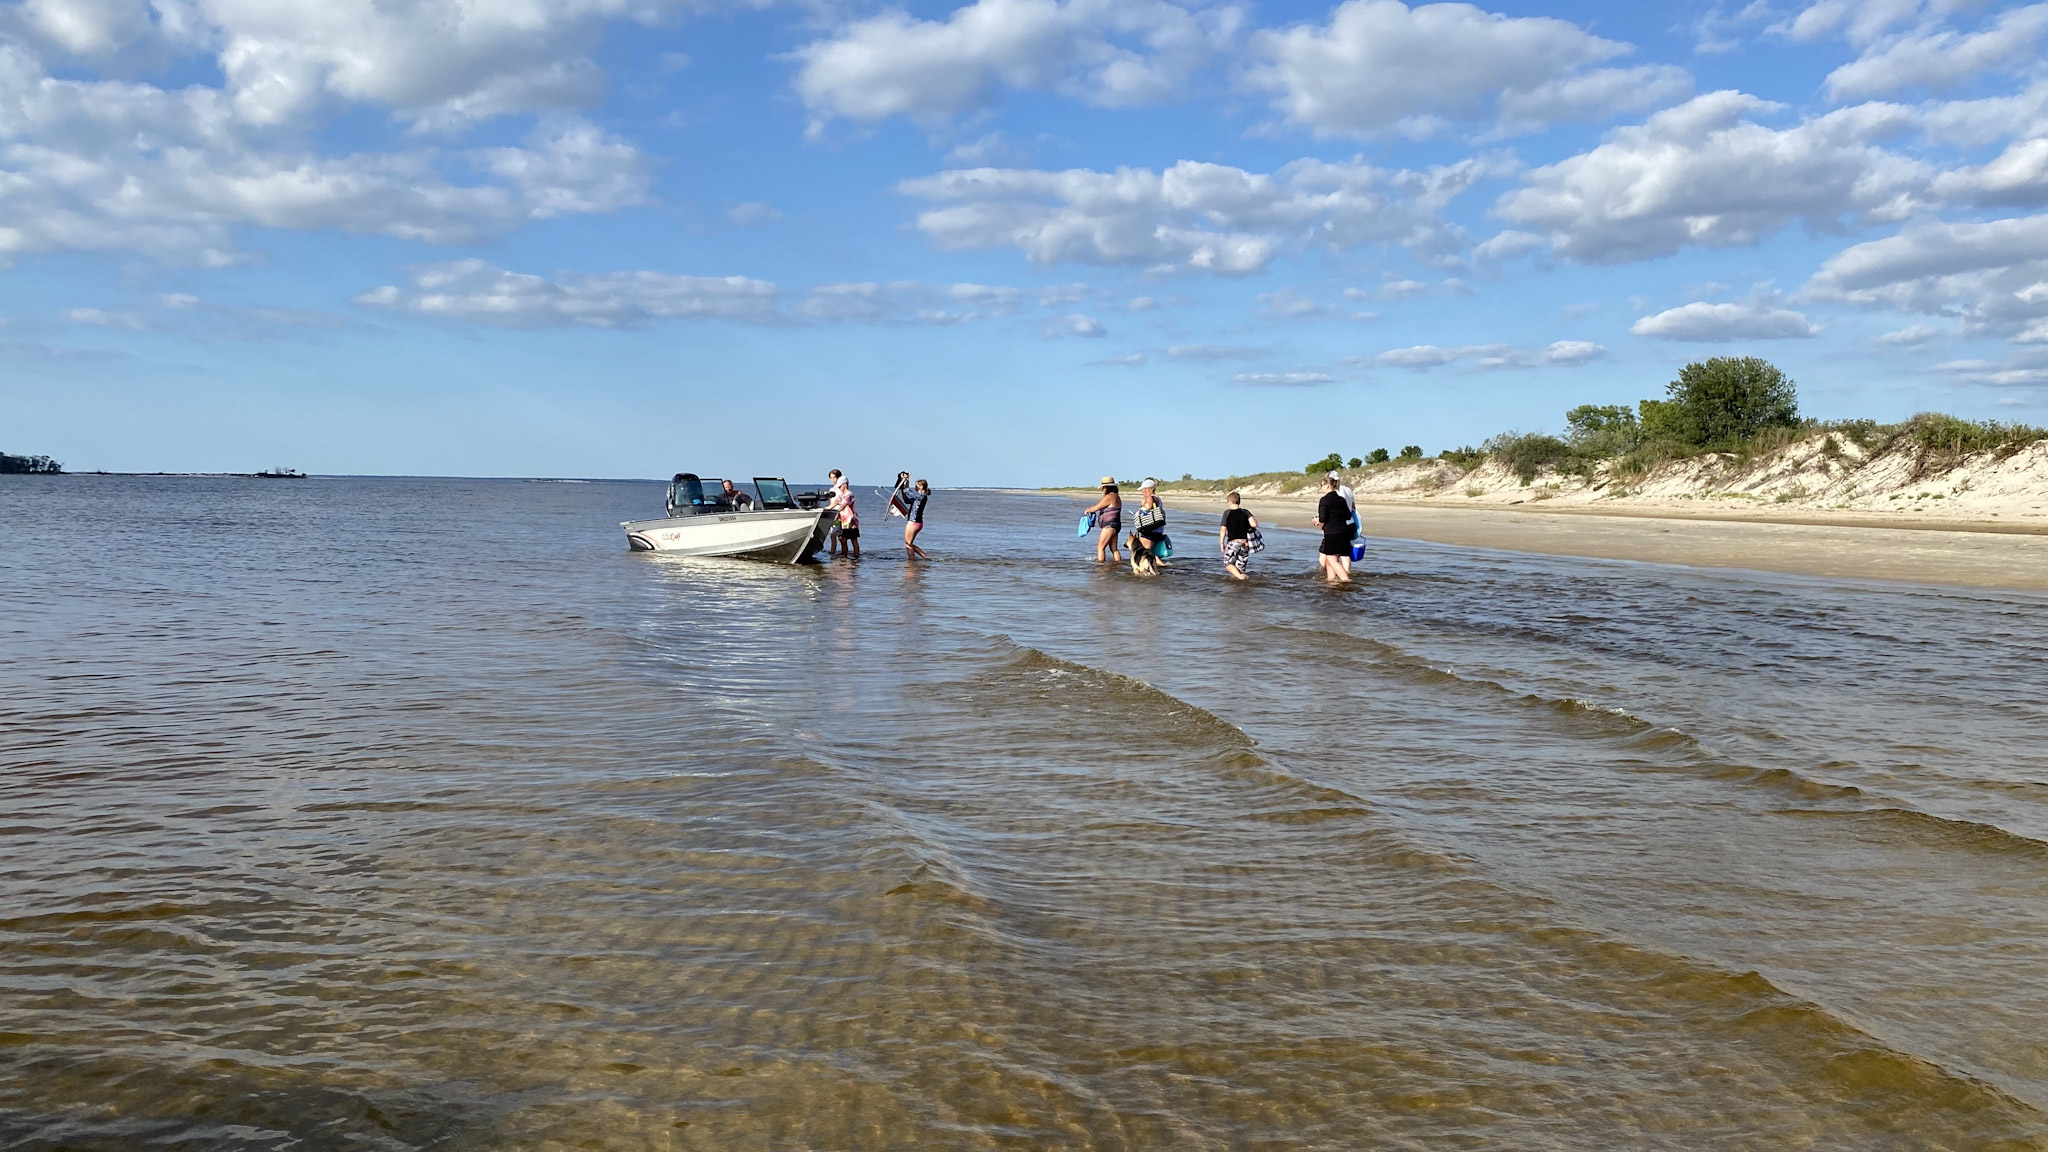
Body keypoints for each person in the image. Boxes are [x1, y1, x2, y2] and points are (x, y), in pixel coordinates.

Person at [1313, 475, 1353, 584]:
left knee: (1331, 560)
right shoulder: (1341, 499)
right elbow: (1348, 516)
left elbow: (1323, 518)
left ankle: (1346, 580)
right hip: (1344, 532)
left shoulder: (1324, 500)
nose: (1320, 487)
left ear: (1327, 485)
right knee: (1334, 560)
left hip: (1332, 533)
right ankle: (1331, 582)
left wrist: (1318, 520)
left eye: (1321, 485)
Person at [1129, 478, 1168, 574]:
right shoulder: (1157, 498)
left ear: (1149, 489)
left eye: (1144, 490)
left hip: (1150, 528)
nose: (1142, 492)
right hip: (1157, 528)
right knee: (1150, 552)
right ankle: (1161, 566)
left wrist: (1142, 506)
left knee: (1144, 552)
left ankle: (1148, 571)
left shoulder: (1150, 498)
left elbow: (1147, 508)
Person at [1082, 476, 1123, 563]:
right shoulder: (1117, 496)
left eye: (1103, 488)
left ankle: (1100, 567)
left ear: (1106, 488)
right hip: (1116, 525)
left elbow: (1096, 507)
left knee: (1100, 547)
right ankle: (1118, 564)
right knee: (1114, 549)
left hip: (1109, 526)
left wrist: (1087, 510)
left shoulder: (1109, 497)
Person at [1218, 491, 1257, 580]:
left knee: (1227, 563)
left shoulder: (1227, 513)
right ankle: (1239, 585)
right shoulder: (1245, 512)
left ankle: (1239, 577)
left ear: (1230, 502)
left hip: (1233, 542)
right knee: (1241, 566)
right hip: (1245, 543)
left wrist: (1221, 543)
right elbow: (1254, 524)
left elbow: (1223, 529)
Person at [831, 474, 860, 559]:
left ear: (845, 485)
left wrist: (835, 512)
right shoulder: (841, 495)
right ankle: (844, 557)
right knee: (843, 540)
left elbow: (842, 506)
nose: (839, 488)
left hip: (851, 521)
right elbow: (834, 504)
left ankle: (856, 558)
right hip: (843, 521)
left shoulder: (849, 495)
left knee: (853, 540)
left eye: (840, 486)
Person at [903, 479, 931, 559]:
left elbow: (909, 492)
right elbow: (907, 500)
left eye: (916, 485)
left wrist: (906, 483)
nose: (915, 487)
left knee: (908, 544)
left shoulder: (922, 496)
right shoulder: (919, 497)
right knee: (909, 543)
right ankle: (925, 556)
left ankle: (911, 561)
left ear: (921, 487)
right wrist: (903, 490)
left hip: (913, 522)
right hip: (917, 523)